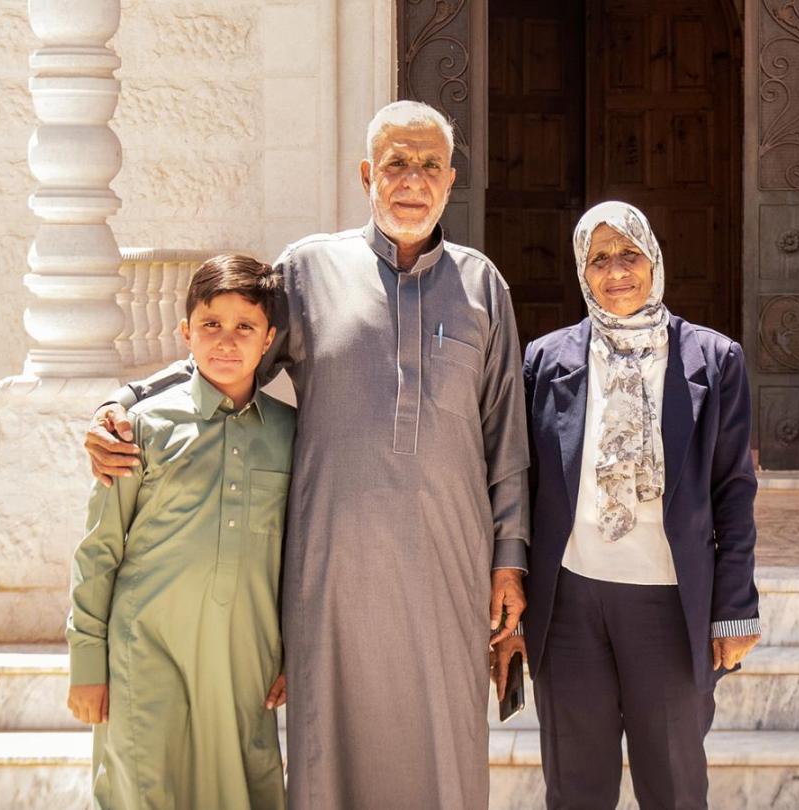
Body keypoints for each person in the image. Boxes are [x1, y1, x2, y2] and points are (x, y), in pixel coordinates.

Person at [83, 101, 530, 809]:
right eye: (395, 164)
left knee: (444, 733)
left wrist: (509, 558)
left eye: (429, 165)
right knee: (331, 737)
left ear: (451, 179)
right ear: (365, 175)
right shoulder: (310, 269)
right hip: (331, 560)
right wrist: (129, 398)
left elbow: (507, 431)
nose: (412, 180)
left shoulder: (482, 286)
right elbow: (231, 357)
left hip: (447, 556)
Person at [498, 201, 761, 809]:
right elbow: (519, 482)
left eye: (629, 254)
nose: (615, 271)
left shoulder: (714, 361)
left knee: (672, 783)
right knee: (575, 786)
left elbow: (733, 490)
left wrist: (736, 605)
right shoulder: (547, 359)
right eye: (599, 259)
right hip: (569, 605)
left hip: (670, 604)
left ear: (654, 260)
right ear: (581, 272)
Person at [67, 255, 294, 809]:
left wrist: (294, 653)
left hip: (244, 661)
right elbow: (99, 550)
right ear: (185, 332)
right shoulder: (139, 428)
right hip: (144, 654)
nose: (226, 341)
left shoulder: (292, 435)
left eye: (245, 327)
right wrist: (87, 662)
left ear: (269, 342)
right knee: (143, 789)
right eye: (211, 325)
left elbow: (302, 557)